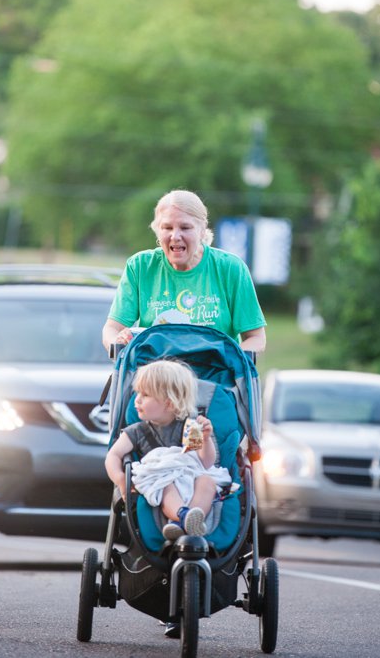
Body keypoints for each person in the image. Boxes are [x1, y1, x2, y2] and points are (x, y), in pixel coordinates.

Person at [102, 189, 267, 353]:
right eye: (167, 227)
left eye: (185, 227)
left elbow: (256, 338)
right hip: (155, 375)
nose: (175, 236)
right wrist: (119, 342)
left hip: (215, 374)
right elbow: (112, 329)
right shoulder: (140, 267)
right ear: (158, 231)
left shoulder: (231, 268)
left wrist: (230, 360)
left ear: (202, 230)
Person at [104, 358, 232, 541]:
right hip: (164, 480)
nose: (136, 400)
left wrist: (205, 439)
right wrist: (120, 479)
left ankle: (187, 521)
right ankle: (182, 515)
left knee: (207, 481)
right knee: (166, 484)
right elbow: (113, 455)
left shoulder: (191, 426)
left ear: (170, 403)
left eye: (145, 395)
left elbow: (204, 463)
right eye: (137, 393)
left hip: (192, 478)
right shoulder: (137, 431)